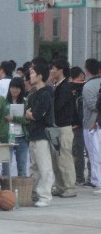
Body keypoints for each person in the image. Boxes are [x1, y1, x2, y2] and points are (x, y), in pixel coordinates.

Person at [0, 77, 29, 176]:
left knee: (22, 168)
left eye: (17, 88)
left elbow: (28, 120)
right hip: (7, 137)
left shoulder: (25, 102)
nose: (14, 90)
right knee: (6, 169)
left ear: (22, 89)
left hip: (22, 137)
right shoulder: (3, 99)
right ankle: (6, 186)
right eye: (12, 87)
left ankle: (21, 186)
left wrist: (14, 118)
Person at [25, 60, 54, 207]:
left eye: (32, 73)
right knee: (34, 167)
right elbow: (29, 113)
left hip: (42, 134)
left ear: (40, 75)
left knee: (44, 167)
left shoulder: (46, 94)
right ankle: (33, 193)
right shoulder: (34, 94)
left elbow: (36, 114)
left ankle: (45, 196)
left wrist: (30, 114)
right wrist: (30, 114)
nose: (30, 75)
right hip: (33, 133)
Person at [49, 58, 77, 198]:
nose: (51, 71)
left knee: (64, 159)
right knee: (56, 160)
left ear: (60, 70)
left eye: (53, 68)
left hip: (63, 127)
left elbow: (57, 106)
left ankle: (70, 187)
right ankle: (60, 186)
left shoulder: (65, 87)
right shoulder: (57, 86)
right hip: (56, 127)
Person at [82, 58, 101, 189]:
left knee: (94, 154)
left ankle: (96, 180)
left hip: (91, 124)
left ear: (86, 70)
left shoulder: (87, 86)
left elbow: (92, 105)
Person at [69, 66, 88, 185]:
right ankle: (82, 177)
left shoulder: (69, 89)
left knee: (76, 152)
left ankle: (79, 177)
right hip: (85, 124)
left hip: (74, 125)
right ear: (81, 75)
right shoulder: (84, 88)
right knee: (84, 152)